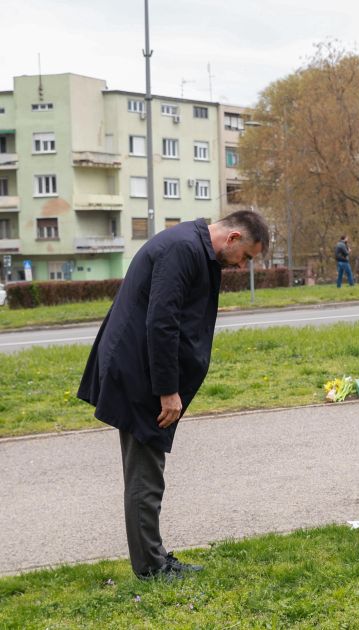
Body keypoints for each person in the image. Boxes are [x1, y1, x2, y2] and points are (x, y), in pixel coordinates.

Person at [77, 210, 270, 580]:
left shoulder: (192, 247)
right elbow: (161, 321)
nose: (242, 265)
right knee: (145, 475)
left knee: (147, 472)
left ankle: (155, 556)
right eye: (246, 256)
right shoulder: (182, 249)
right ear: (232, 238)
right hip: (142, 376)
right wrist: (168, 391)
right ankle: (151, 567)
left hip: (140, 369)